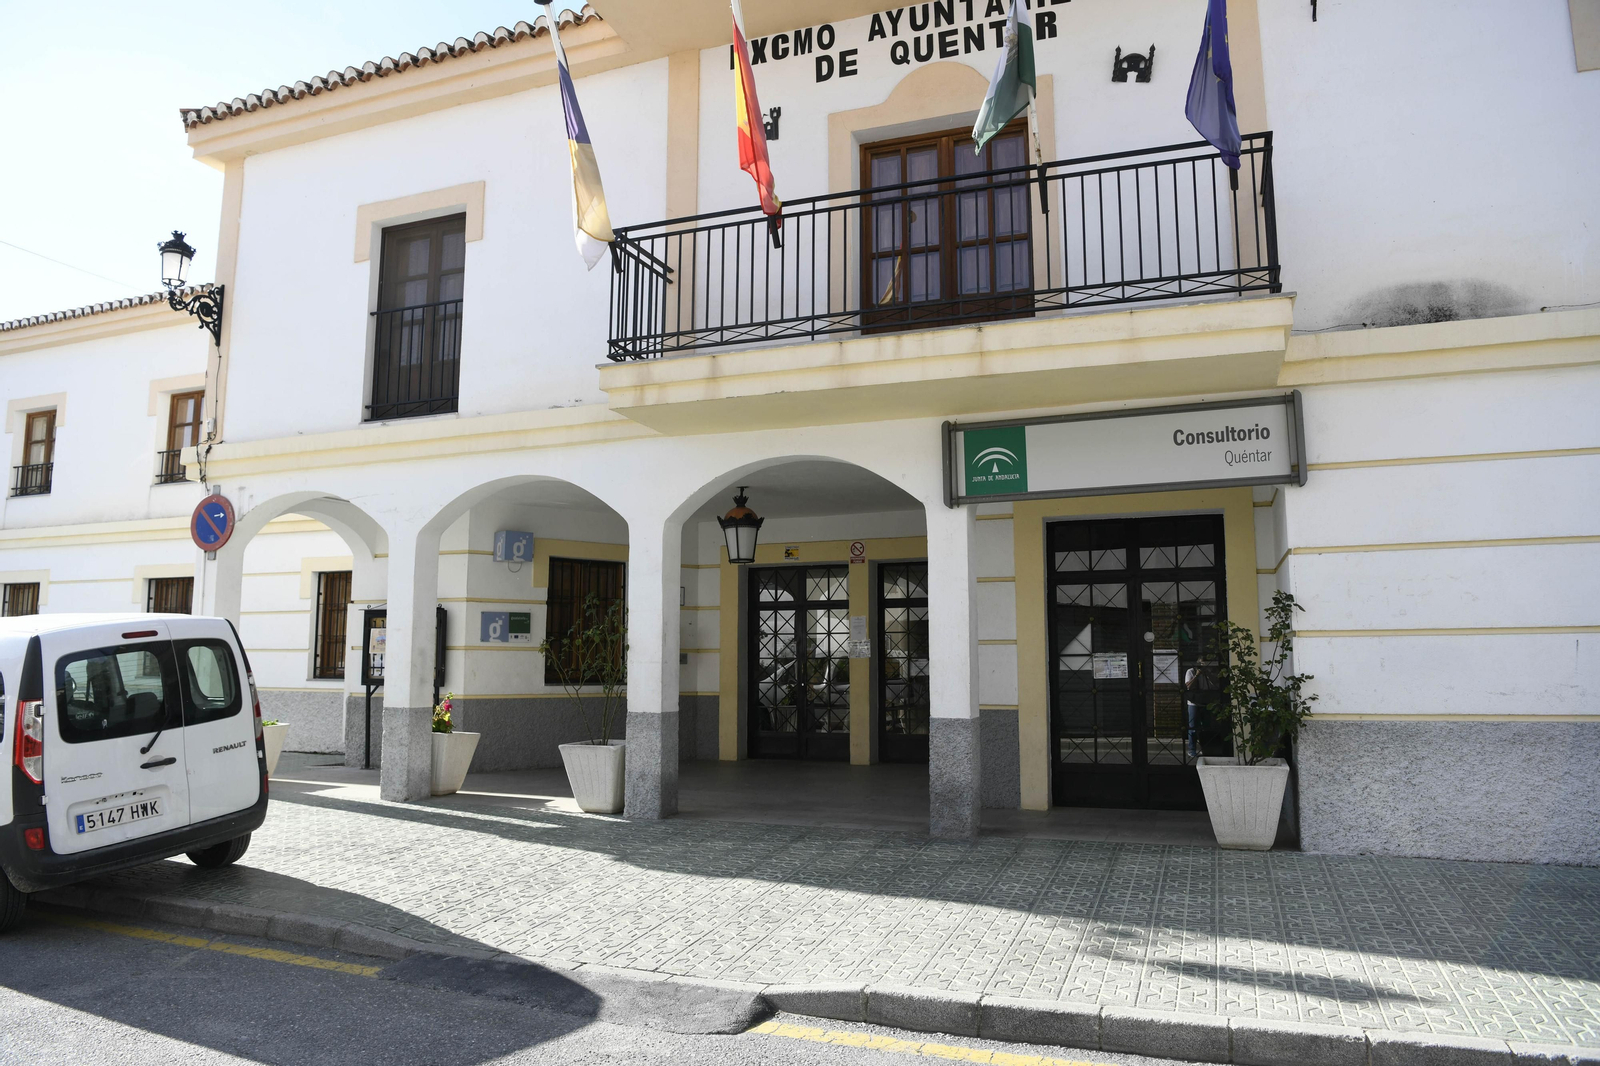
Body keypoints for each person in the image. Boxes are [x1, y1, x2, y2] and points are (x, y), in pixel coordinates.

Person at [1182, 661, 1219, 760]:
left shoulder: (1207, 672)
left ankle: (1206, 749)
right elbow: (1188, 686)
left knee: (1206, 726)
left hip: (1205, 702)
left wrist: (1208, 674)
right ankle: (1192, 750)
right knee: (1193, 727)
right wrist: (1197, 675)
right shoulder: (1191, 672)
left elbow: (1215, 684)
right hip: (1194, 703)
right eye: (1201, 663)